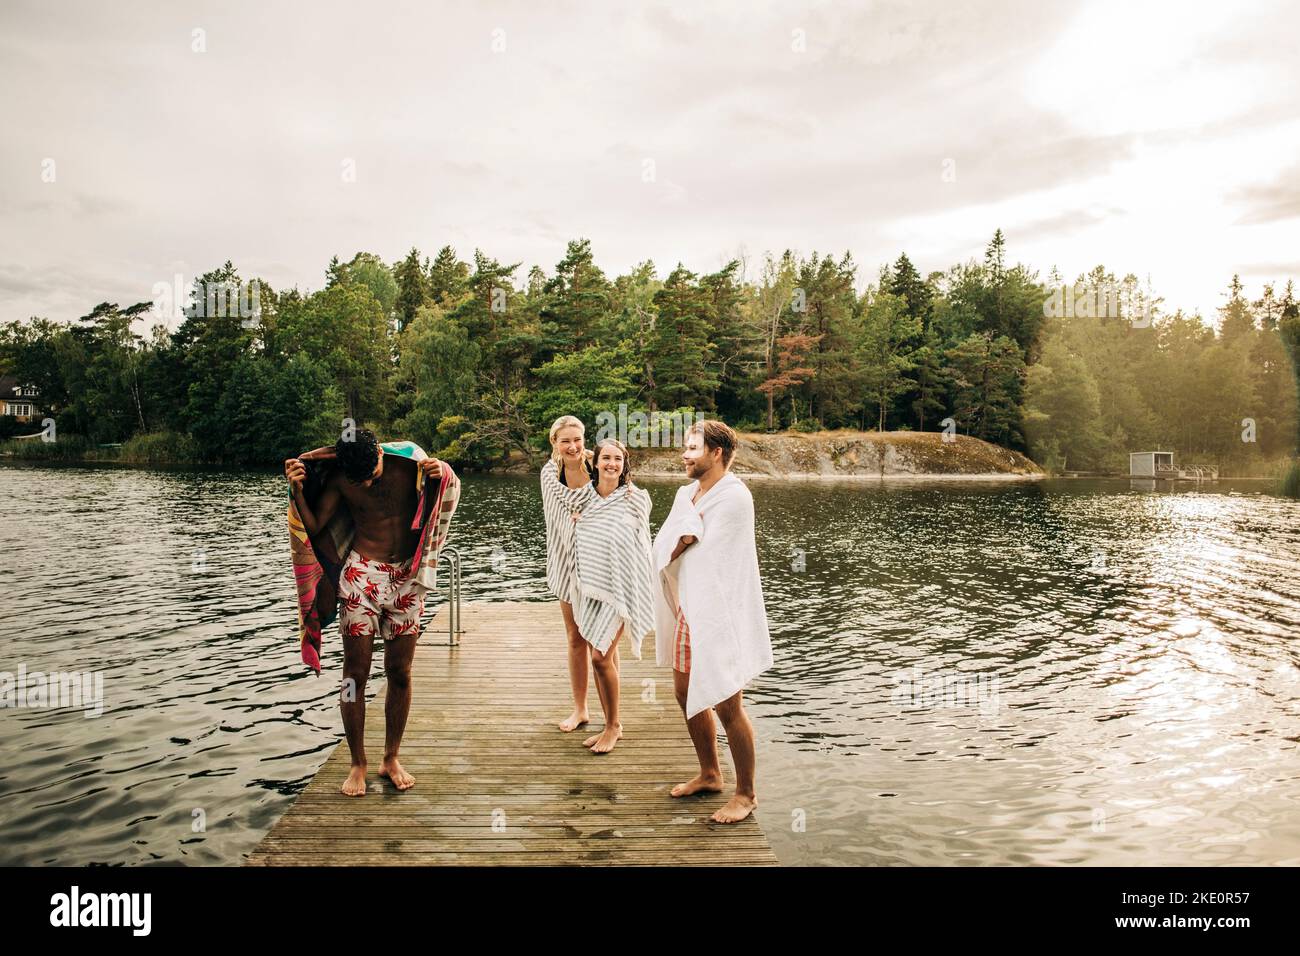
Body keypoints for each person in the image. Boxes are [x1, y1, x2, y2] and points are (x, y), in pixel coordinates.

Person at [284, 428, 455, 797]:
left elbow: (446, 489)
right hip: (362, 575)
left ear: (380, 451)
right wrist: (297, 489)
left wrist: (444, 473)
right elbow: (314, 527)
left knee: (400, 672)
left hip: (408, 578)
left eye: (372, 473)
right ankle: (357, 762)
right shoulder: (343, 478)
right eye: (357, 479)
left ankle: (390, 758)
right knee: (354, 674)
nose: (366, 482)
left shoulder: (412, 463)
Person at [651, 420, 773, 824]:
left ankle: (747, 793)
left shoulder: (735, 498)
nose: (684, 455)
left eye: (692, 448)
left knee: (727, 702)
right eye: (685, 448)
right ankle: (709, 773)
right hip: (690, 608)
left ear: (716, 452)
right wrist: (683, 538)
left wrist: (687, 540)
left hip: (720, 613)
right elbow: (667, 542)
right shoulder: (688, 493)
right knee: (685, 693)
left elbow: (715, 557)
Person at [569, 438, 656, 754]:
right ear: (596, 462)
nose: (611, 464)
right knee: (604, 652)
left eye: (617, 459)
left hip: (623, 589)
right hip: (594, 588)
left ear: (624, 464)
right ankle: (609, 721)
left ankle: (614, 726)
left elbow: (640, 546)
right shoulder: (585, 500)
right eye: (606, 458)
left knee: (599, 657)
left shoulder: (634, 499)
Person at [540, 415, 599, 733]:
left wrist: (587, 519)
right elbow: (558, 517)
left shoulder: (600, 466)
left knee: (603, 643)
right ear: (555, 443)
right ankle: (580, 709)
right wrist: (578, 520)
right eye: (566, 440)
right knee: (576, 637)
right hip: (565, 560)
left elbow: (615, 504)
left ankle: (611, 715)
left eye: (577, 439)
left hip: (600, 565)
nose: (573, 446)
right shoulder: (549, 473)